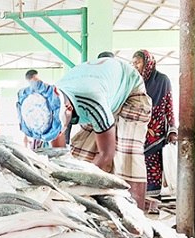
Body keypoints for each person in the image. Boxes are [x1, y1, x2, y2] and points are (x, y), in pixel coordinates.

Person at [55, 57, 153, 209]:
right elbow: (58, 154)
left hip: (130, 90)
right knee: (81, 156)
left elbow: (106, 154)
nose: (57, 131)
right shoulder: (50, 102)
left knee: (126, 157)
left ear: (68, 109)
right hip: (104, 92)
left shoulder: (93, 101)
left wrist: (81, 181)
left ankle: (136, 219)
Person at [131, 50, 178, 214]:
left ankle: (153, 205)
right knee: (136, 167)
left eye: (138, 62)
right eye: (133, 63)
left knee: (154, 169)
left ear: (148, 63)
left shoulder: (162, 80)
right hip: (136, 131)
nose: (135, 66)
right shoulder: (133, 81)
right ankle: (137, 203)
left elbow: (168, 106)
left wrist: (172, 129)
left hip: (155, 134)